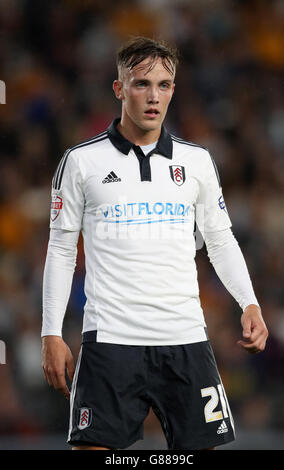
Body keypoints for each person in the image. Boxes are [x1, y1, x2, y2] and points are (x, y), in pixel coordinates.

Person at [41, 36, 268, 451]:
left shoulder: (197, 161)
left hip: (185, 339)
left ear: (173, 91)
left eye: (163, 85)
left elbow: (219, 239)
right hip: (109, 341)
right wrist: (51, 333)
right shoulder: (81, 162)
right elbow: (59, 250)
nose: (153, 96)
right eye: (141, 84)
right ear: (118, 89)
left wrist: (249, 303)